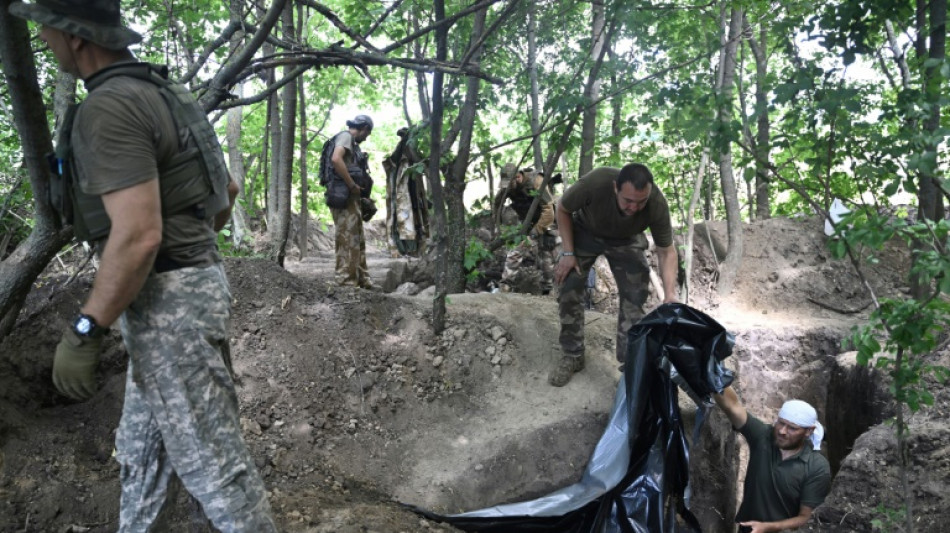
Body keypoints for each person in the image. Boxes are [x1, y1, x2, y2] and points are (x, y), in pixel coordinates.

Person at [9, 0, 277, 530]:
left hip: (168, 306)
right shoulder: (167, 94)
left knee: (219, 472)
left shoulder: (109, 108)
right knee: (142, 456)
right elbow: (224, 195)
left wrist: (86, 329)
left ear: (76, 37)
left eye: (46, 27)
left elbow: (138, 236)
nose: (41, 37)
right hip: (182, 293)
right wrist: (189, 258)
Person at [550, 163, 678, 386]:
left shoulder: (656, 202)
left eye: (641, 202)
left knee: (636, 295)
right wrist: (568, 252)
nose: (634, 208)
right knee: (570, 284)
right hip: (586, 232)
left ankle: (630, 366)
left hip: (626, 240)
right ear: (615, 188)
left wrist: (669, 295)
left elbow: (667, 251)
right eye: (628, 200)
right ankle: (573, 354)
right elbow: (562, 208)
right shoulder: (595, 183)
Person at [713, 386, 832, 532]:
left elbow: (807, 518)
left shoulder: (817, 467)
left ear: (809, 431)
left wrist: (767, 527)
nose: (782, 431)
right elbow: (732, 406)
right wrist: (710, 370)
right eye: (781, 423)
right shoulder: (763, 437)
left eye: (792, 428)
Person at [494, 165, 558, 294]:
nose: (507, 188)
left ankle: (549, 289)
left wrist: (535, 232)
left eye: (509, 184)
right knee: (517, 250)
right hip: (528, 222)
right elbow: (497, 204)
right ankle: (505, 287)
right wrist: (498, 225)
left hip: (548, 222)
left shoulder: (537, 181)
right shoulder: (508, 187)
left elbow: (549, 211)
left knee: (546, 255)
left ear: (518, 177)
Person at [329, 115, 375, 288]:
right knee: (347, 239)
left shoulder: (353, 144)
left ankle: (362, 279)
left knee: (357, 239)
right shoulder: (346, 137)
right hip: (343, 196)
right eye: (367, 134)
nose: (366, 138)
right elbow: (336, 158)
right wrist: (351, 184)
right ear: (363, 128)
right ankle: (345, 282)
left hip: (351, 198)